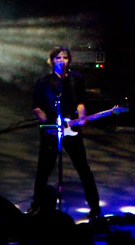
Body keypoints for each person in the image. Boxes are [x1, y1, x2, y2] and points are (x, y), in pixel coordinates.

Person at [31, 46, 101, 219]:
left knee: (83, 168)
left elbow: (81, 102)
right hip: (51, 131)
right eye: (58, 58)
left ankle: (95, 207)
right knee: (43, 170)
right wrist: (48, 123)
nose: (62, 61)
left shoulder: (76, 80)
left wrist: (82, 117)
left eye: (65, 58)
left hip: (72, 128)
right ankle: (36, 206)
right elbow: (36, 106)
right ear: (52, 60)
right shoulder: (43, 82)